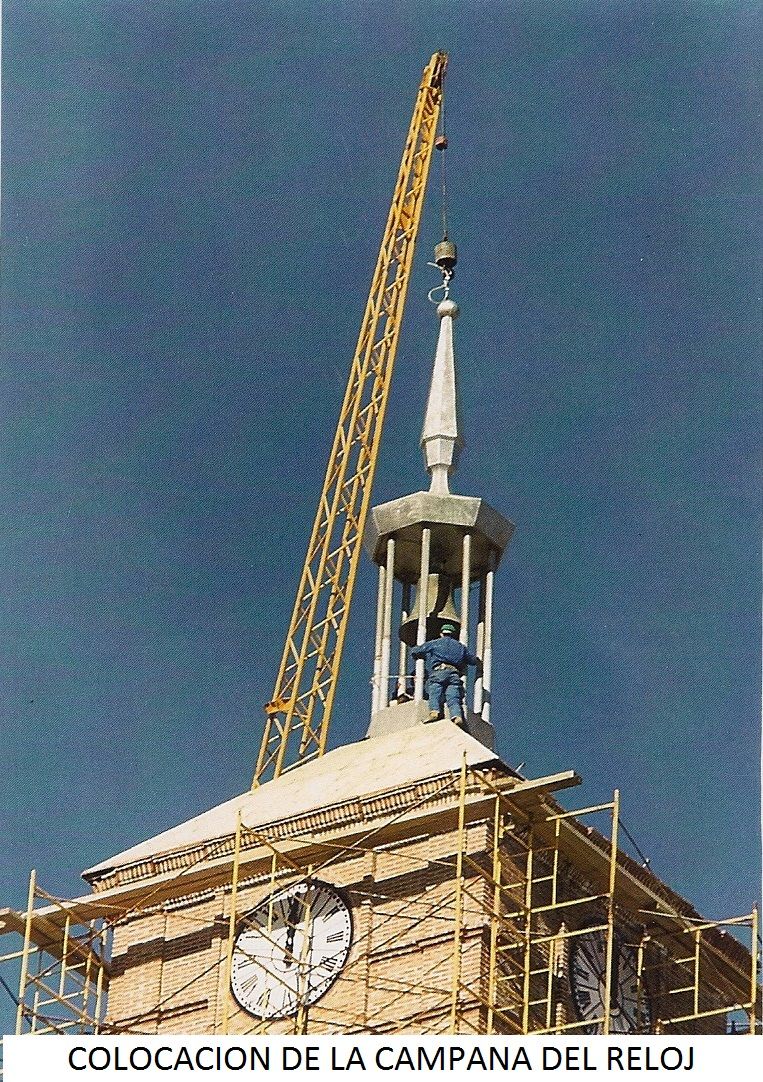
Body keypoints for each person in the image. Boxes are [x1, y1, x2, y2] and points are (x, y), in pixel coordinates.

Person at [410, 623, 481, 726]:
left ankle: (434, 711)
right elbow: (472, 660)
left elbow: (418, 650)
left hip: (440, 671)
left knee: (434, 691)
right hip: (454, 674)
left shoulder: (435, 643)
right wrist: (479, 661)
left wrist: (416, 653)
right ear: (453, 634)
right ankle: (457, 716)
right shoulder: (461, 647)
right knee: (453, 696)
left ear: (441, 633)